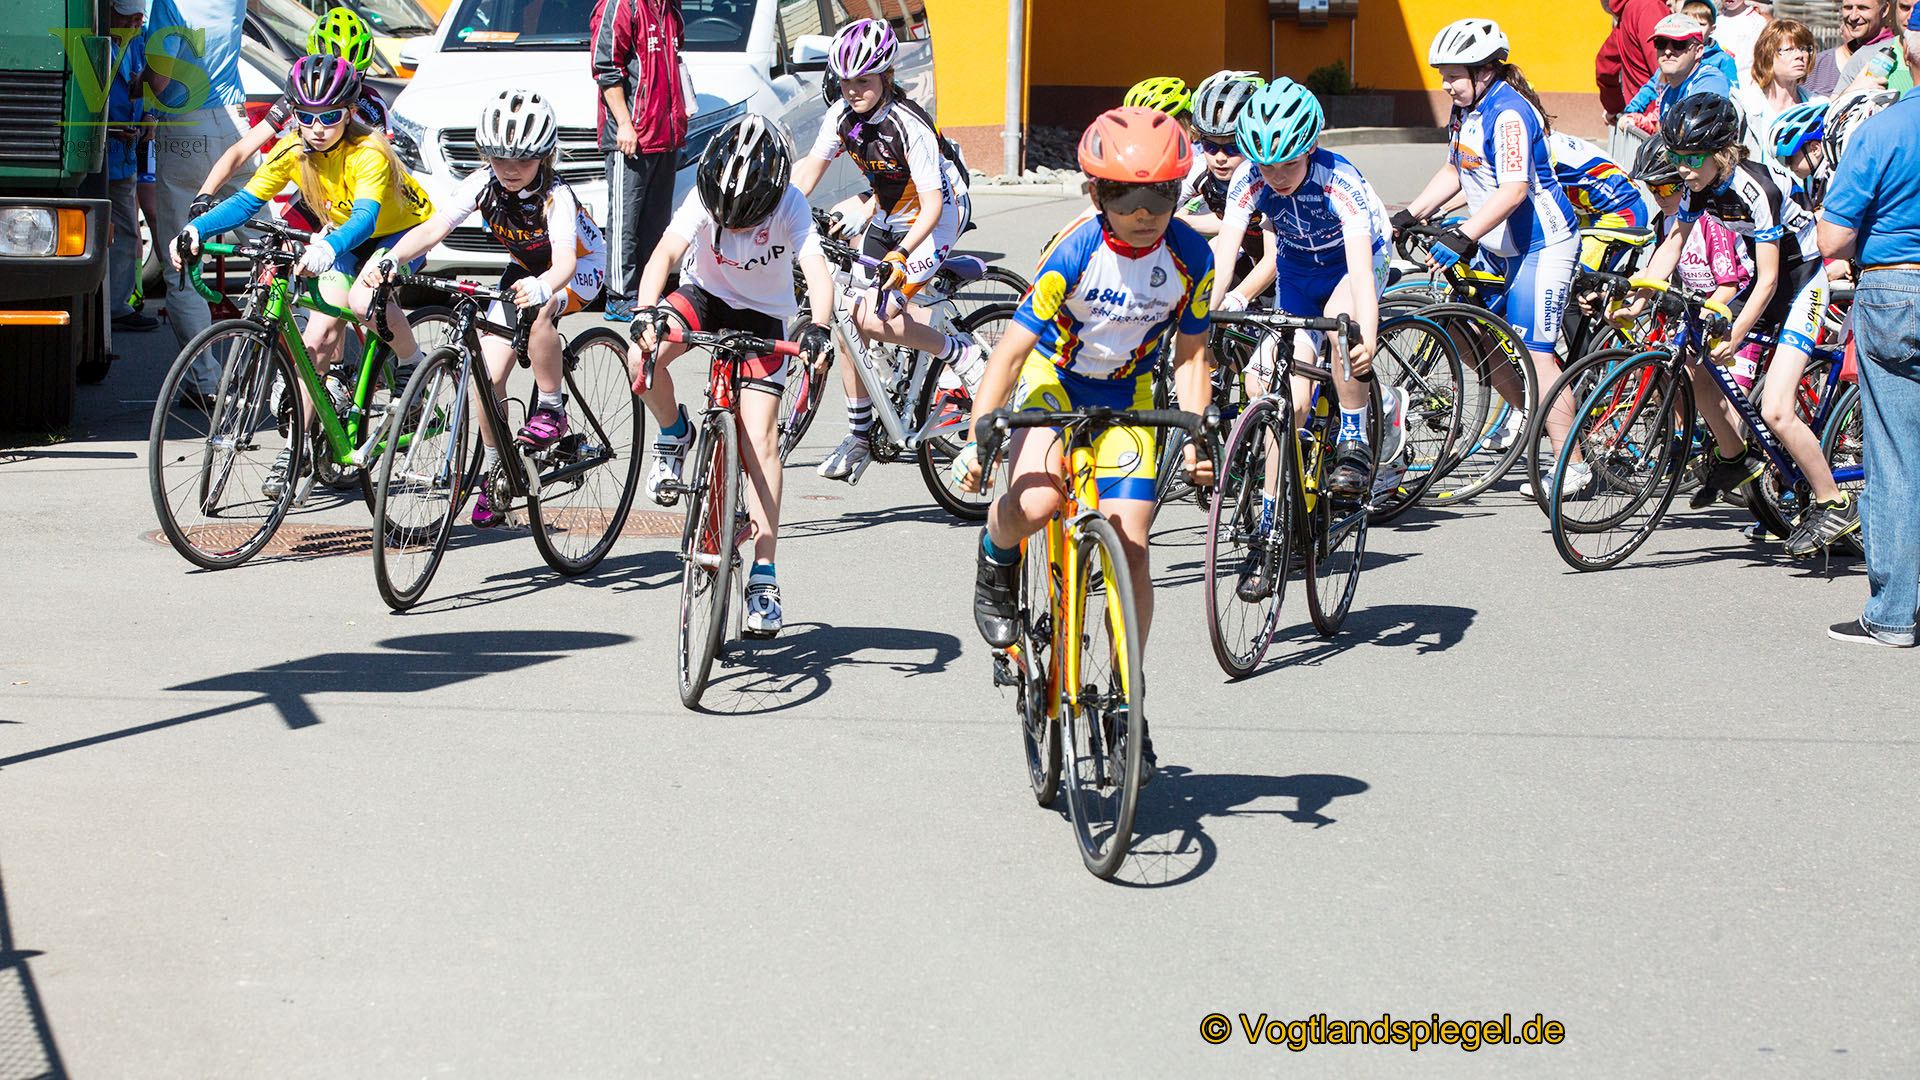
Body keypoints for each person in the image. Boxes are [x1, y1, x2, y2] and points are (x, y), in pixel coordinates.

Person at [959, 106, 1214, 781]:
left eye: (1162, 194)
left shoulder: (1192, 257)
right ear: (1096, 193)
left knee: (1133, 546)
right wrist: (980, 436)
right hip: (1055, 380)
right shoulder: (1074, 251)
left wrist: (1195, 434)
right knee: (1037, 502)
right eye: (1126, 196)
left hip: (1128, 394)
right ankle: (995, 556)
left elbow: (1192, 355)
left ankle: (1129, 700)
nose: (1145, 212)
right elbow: (1011, 352)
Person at [174, 56, 435, 499]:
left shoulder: (368, 150)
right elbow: (247, 200)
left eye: (329, 117)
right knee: (315, 340)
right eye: (305, 116)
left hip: (401, 230)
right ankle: (295, 448)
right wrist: (197, 228)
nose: (316, 127)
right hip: (346, 231)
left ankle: (413, 368)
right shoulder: (294, 147)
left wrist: (327, 249)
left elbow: (367, 219)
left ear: (349, 113)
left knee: (363, 299)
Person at [629, 114, 836, 637]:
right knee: (642, 359)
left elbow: (817, 273)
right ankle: (675, 433)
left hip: (764, 316)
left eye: (747, 222)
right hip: (704, 297)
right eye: (728, 221)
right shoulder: (705, 194)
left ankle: (764, 574)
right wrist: (645, 311)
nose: (736, 230)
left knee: (759, 440)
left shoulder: (791, 203)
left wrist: (818, 328)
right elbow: (665, 253)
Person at [1620, 93, 1852, 553]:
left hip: (1801, 284)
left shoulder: (1756, 189)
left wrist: (1736, 335)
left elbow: (1768, 281)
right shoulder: (1698, 185)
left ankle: (1834, 501)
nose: (1682, 169)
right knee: (1693, 363)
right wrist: (1638, 297)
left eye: (1692, 158)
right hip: (1766, 282)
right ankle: (1734, 457)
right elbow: (1673, 245)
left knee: (1776, 410)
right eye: (1676, 157)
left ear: (1722, 151)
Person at [379, 90, 607, 528]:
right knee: (486, 374)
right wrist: (392, 259)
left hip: (577, 269)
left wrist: (543, 286)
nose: (510, 169)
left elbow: (565, 262)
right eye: (500, 158)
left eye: (524, 159)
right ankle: (496, 470)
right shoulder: (482, 182)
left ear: (545, 155)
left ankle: (552, 409)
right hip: (523, 269)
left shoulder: (556, 196)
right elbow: (435, 228)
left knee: (542, 309)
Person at [1399, 19, 1586, 489]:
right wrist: (1410, 214)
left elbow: (1514, 190)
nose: (1445, 85)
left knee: (1537, 355)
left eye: (1453, 76)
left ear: (1484, 71)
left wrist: (1461, 235)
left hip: (1542, 244)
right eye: (1442, 75)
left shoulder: (1508, 113)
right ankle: (1538, 418)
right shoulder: (1466, 109)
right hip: (1498, 243)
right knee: (1464, 332)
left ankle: (1573, 464)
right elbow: (1455, 170)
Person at [791, 17, 977, 485]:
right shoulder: (841, 115)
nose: (853, 90)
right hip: (891, 212)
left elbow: (933, 206)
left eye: (864, 80)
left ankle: (957, 351)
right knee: (845, 320)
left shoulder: (908, 124)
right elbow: (808, 173)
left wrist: (902, 254)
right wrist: (772, 213)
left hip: (937, 216)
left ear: (887, 76)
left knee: (873, 318)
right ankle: (859, 435)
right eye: (846, 81)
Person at [1210, 79, 1389, 518]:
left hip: (1351, 265)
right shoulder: (1249, 179)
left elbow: (1361, 273)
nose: (1277, 176)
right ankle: (1273, 515)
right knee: (1276, 392)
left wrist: (1366, 338)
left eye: (1289, 163)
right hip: (1298, 272)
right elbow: (1224, 256)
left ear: (1311, 148)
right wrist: (1205, 314)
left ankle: (1354, 435)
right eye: (1266, 165)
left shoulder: (1338, 180)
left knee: (1341, 322)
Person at [1817, 3, 1920, 645]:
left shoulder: (1883, 128)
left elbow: (1833, 236)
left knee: (1896, 457)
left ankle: (1893, 614)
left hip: (1895, 288)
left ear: (1907, 54)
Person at [143, 0, 250, 398]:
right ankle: (305, 351)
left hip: (187, 125)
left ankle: (205, 382)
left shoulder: (170, 3)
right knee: (271, 246)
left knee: (182, 265)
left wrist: (139, 83)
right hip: (236, 124)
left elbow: (159, 80)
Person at [592, 0, 689, 323]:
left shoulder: (670, 7)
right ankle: (619, 296)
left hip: (666, 134)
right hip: (631, 135)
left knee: (656, 222)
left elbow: (674, 60)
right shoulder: (622, 5)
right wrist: (623, 122)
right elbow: (606, 67)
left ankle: (648, 292)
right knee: (626, 220)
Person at [1176, 70, 1269, 301]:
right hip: (1247, 250)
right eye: (1210, 146)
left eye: (1232, 148)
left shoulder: (1269, 177)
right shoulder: (1200, 168)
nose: (1219, 157)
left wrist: (1236, 300)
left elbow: (1275, 257)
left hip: (1285, 263)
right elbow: (1161, 205)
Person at [106, 0, 157, 334]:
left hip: (124, 154)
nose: (136, 22)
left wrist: (149, 113)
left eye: (139, 17)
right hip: (95, 153)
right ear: (110, 10)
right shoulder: (93, 41)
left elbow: (147, 82)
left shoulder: (136, 40)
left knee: (127, 229)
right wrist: (109, 129)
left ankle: (118, 305)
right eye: (130, 17)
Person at [1549, 130, 1654, 271]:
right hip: (1594, 210)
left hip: (1622, 213)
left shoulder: (1542, 151)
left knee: (1570, 276)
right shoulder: (1547, 139)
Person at [1619, 15, 1734, 137]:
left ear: (1698, 51)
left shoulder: (1710, 81)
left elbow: (1693, 135)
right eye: (1661, 43)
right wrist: (1635, 120)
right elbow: (1661, 130)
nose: (1667, 51)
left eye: (1678, 44)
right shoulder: (1668, 89)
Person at [1599, 0, 1677, 160]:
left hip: (1641, 123)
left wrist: (1614, 106)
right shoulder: (1650, 7)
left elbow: (1605, 64)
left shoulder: (1631, 8)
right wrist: (1617, 107)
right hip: (1654, 123)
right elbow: (1666, 70)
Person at [1736, 18, 1820, 163]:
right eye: (1789, 49)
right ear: (1768, 55)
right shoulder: (1744, 106)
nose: (1800, 55)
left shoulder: (1818, 107)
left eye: (1804, 48)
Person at [1807, 0, 1891, 95]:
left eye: (1862, 8)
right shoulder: (1820, 63)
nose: (1853, 17)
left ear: (1884, 10)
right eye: (1848, 7)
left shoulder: (1897, 54)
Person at [1680, 1, 1742, 85]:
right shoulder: (1675, 54)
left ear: (1712, 29)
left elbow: (1732, 90)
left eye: (1701, 24)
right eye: (1690, 24)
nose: (1696, 29)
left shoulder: (1722, 60)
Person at [1714, 0, 1772, 86]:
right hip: (1719, 81)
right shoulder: (1716, 21)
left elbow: (1765, 56)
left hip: (1746, 83)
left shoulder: (1758, 21)